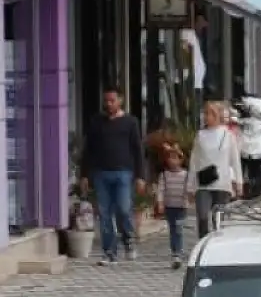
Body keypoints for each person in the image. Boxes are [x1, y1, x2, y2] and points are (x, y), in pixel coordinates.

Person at [82, 88, 145, 265]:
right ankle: (109, 252)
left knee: (124, 209)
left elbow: (137, 149)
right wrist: (85, 174)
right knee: (104, 214)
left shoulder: (130, 122)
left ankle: (129, 239)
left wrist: (140, 175)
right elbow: (88, 150)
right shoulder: (97, 122)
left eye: (112, 101)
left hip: (123, 172)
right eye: (106, 101)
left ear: (120, 101)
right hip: (101, 173)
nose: (109, 104)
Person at [190, 100, 243, 238]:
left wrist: (239, 181)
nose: (207, 117)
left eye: (210, 114)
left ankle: (219, 244)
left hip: (222, 183)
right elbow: (193, 161)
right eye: (205, 113)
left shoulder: (228, 135)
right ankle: (203, 241)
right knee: (202, 216)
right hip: (203, 182)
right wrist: (190, 186)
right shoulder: (200, 135)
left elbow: (235, 160)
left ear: (218, 116)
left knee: (219, 219)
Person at [156, 143, 193, 269]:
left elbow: (188, 189)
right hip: (169, 206)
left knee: (178, 228)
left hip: (181, 206)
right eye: (170, 157)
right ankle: (175, 253)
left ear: (181, 160)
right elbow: (160, 190)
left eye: (175, 157)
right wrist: (160, 203)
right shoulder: (164, 175)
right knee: (173, 229)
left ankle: (178, 252)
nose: (172, 160)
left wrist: (188, 198)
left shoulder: (186, 175)